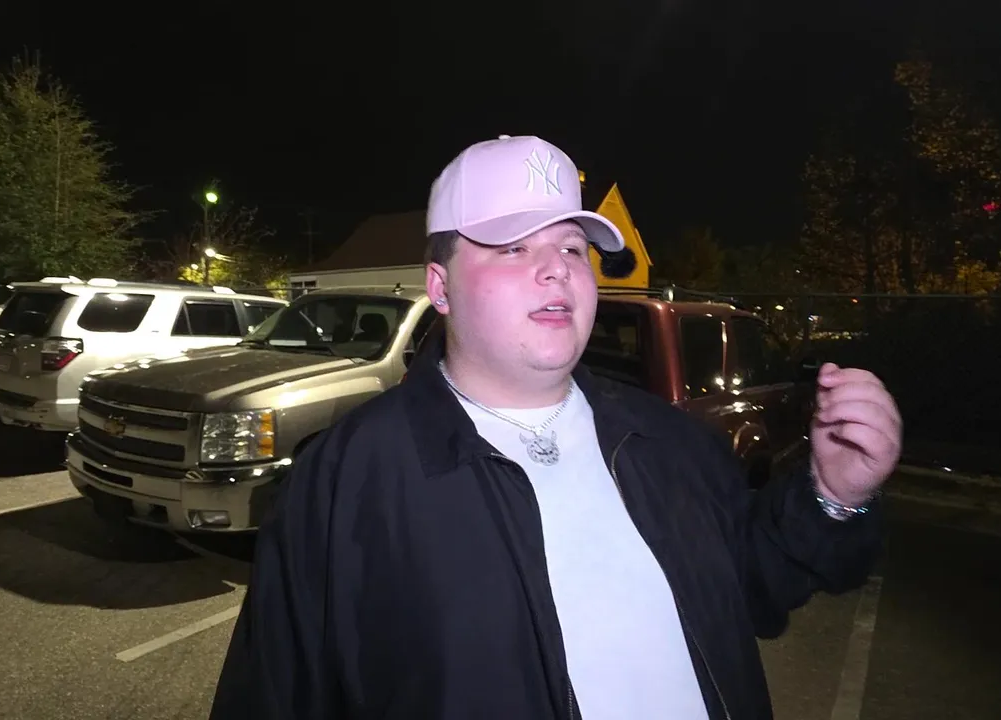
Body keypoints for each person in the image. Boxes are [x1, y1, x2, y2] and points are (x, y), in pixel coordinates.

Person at [210, 135, 902, 720]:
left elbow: (754, 586)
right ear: (440, 287)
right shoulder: (343, 484)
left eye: (573, 249)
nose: (556, 271)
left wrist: (831, 495)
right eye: (513, 247)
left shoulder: (668, 442)